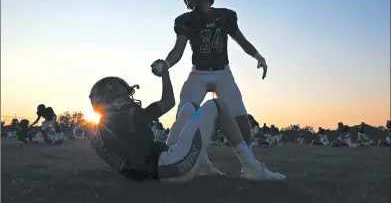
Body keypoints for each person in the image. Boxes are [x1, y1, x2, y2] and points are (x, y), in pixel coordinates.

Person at [89, 61, 285, 183]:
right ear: (113, 95)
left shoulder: (101, 131)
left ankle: (205, 167)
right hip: (168, 168)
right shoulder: (123, 115)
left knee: (190, 107)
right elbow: (168, 102)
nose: (129, 99)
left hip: (155, 168)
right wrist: (165, 73)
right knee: (216, 105)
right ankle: (251, 167)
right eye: (125, 94)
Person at [151, 0, 268, 175]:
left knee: (241, 120)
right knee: (184, 117)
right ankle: (199, 163)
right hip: (198, 73)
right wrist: (166, 63)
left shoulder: (226, 16)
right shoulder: (185, 20)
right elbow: (178, 50)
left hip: (223, 73)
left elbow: (241, 40)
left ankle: (249, 167)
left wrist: (258, 56)